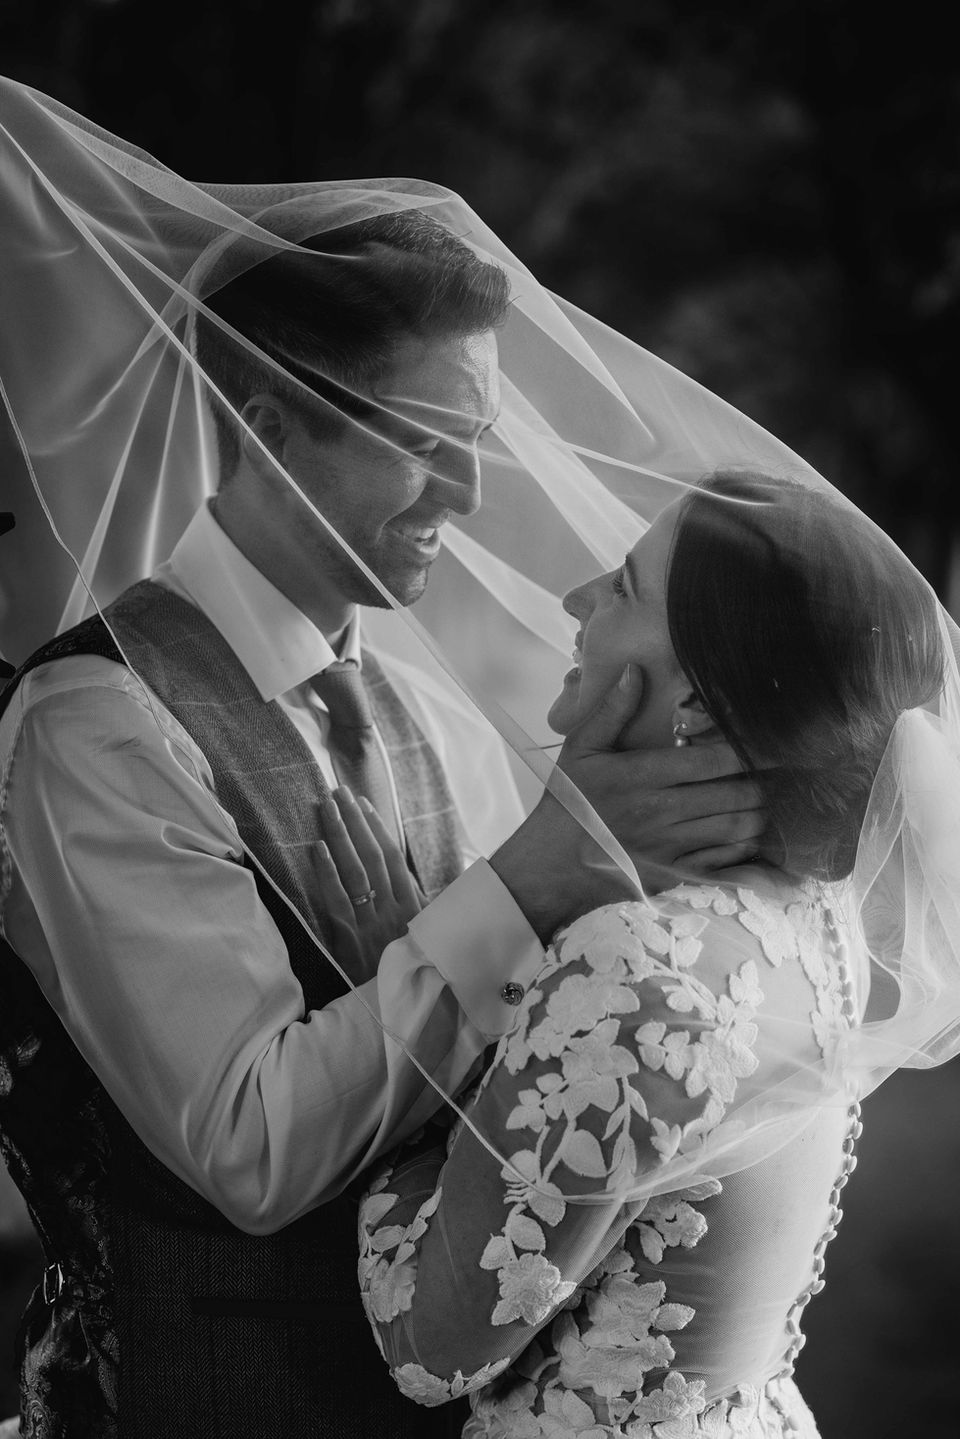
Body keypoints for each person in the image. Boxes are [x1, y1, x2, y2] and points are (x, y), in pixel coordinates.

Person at [0, 81, 762, 1438]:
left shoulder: (410, 698)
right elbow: (252, 1146)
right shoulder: (96, 724)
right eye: (423, 443)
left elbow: (507, 1052)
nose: (466, 495)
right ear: (269, 422)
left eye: (472, 440)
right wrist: (522, 880)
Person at [338, 471, 953, 1437]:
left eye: (622, 586)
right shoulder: (810, 913)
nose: (576, 598)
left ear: (700, 707)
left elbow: (428, 1344)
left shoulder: (638, 967)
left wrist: (411, 963)